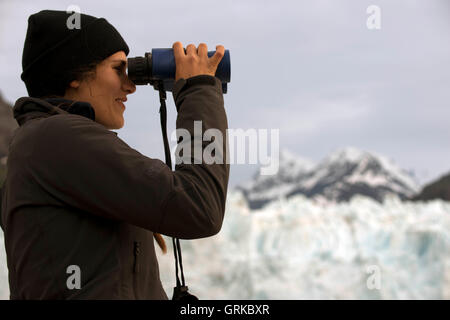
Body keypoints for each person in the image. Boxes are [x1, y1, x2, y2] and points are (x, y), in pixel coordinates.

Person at [0, 10, 229, 299]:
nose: (130, 85)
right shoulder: (57, 138)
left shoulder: (47, 146)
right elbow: (199, 206)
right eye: (118, 69)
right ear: (74, 74)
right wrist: (198, 90)